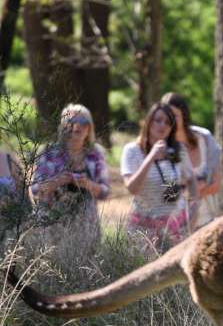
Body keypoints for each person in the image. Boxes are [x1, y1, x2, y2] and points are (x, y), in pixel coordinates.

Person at [121, 101, 199, 250]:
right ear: (148, 122)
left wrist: (194, 204)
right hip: (143, 229)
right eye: (158, 120)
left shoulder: (178, 149)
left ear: (172, 128)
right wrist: (151, 157)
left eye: (168, 122)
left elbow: (191, 178)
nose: (162, 125)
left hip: (175, 227)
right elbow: (132, 188)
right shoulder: (132, 150)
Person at [31, 104, 110, 244]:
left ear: (89, 128)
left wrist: (88, 184)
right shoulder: (48, 152)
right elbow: (35, 189)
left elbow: (105, 192)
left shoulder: (96, 154)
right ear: (63, 125)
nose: (77, 126)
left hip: (86, 226)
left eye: (83, 122)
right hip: (52, 225)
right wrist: (57, 182)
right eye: (71, 121)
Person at [161, 91, 222, 227]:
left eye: (174, 116)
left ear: (184, 114)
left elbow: (216, 184)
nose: (170, 122)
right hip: (177, 226)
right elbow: (166, 194)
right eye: (166, 117)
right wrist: (198, 187)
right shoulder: (162, 148)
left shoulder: (205, 138)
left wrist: (186, 190)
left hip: (209, 221)